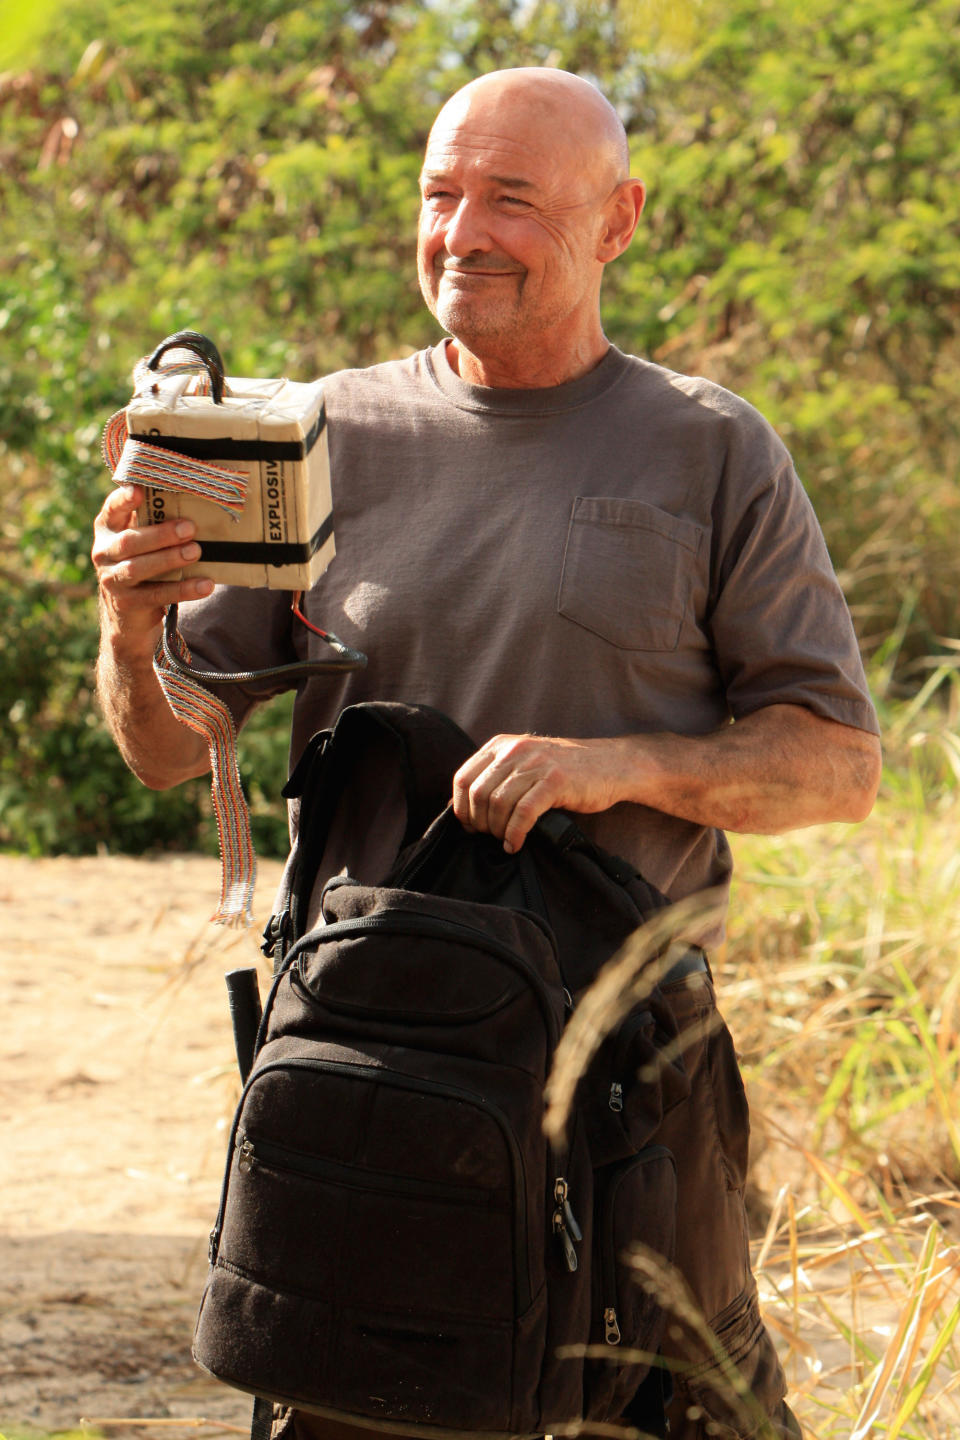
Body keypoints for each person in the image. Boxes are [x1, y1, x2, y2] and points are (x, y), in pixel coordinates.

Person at [93, 67, 881, 1440]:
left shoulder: (709, 449)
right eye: (440, 195)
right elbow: (168, 751)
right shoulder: (318, 435)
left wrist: (613, 764)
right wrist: (130, 616)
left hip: (626, 1077)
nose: (463, 232)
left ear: (618, 222)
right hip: (368, 1071)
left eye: (512, 198)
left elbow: (833, 766)